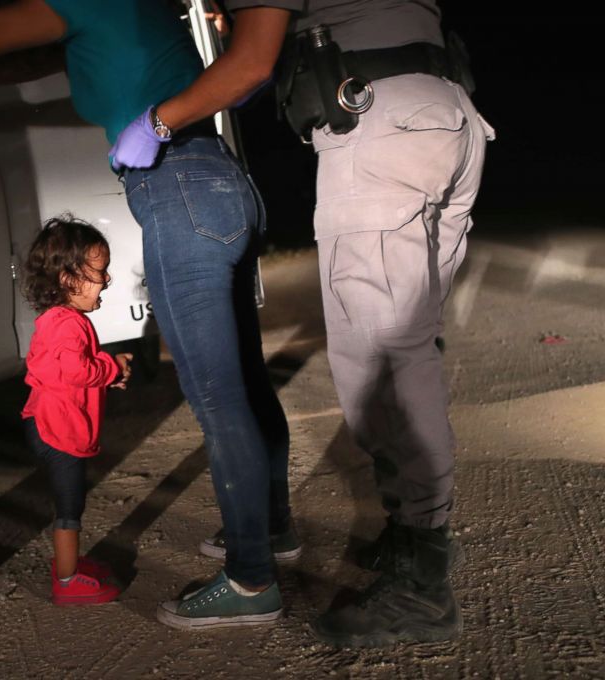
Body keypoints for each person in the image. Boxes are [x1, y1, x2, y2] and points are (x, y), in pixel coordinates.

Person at [0, 0, 296, 629]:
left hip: (176, 190)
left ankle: (252, 577)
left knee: (217, 398)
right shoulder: (127, 12)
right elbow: (18, 59)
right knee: (245, 385)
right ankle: (271, 530)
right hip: (220, 184)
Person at [113, 0, 493, 647]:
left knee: (382, 366)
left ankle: (422, 585)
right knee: (411, 346)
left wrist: (157, 119)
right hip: (446, 112)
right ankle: (413, 541)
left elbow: (252, 62)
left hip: (381, 128)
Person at [20, 217, 130, 606]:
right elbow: (75, 370)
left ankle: (70, 564)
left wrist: (106, 372)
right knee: (70, 507)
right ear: (69, 279)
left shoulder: (58, 321)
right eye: (99, 272)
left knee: (70, 503)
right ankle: (66, 580)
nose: (106, 280)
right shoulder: (68, 324)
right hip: (58, 430)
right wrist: (111, 368)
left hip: (46, 423)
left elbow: (67, 370)